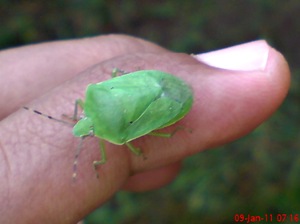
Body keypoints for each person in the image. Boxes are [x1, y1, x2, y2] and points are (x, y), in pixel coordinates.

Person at [0, 35, 290, 223]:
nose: (83, 125)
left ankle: (180, 129)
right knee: (119, 76)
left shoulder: (115, 138)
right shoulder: (95, 94)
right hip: (156, 82)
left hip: (169, 102)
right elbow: (107, 82)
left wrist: (99, 162)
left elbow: (124, 145)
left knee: (153, 138)